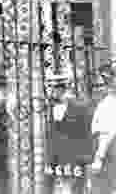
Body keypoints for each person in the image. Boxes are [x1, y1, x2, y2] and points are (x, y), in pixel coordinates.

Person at [45, 73, 93, 194]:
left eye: (53, 88)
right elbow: (52, 135)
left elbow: (86, 134)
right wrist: (50, 161)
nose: (50, 91)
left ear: (62, 88)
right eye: (49, 87)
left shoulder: (80, 107)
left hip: (74, 159)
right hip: (57, 159)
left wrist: (84, 161)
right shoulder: (50, 108)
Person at [91, 61, 116, 193]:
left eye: (101, 84)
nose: (98, 88)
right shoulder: (106, 102)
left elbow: (107, 134)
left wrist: (98, 159)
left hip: (108, 154)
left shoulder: (108, 103)